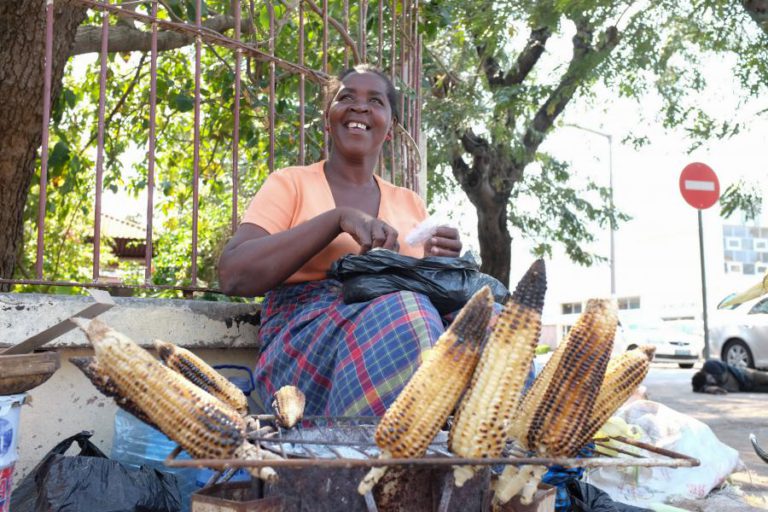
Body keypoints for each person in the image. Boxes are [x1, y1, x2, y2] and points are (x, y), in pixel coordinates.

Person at [217, 64, 464, 417]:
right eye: (346, 97)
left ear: (390, 128)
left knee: (491, 320)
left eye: (375, 101)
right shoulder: (290, 184)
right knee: (404, 310)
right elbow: (233, 274)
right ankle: (377, 450)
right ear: (328, 120)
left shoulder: (410, 203)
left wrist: (441, 265)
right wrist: (337, 219)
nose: (359, 106)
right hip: (302, 354)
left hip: (405, 343)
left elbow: (430, 304)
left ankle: (490, 451)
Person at [691, 359, 768, 394]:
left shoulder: (710, 365)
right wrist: (707, 388)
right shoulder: (713, 386)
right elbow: (696, 389)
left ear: (704, 373)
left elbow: (722, 366)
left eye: (710, 378)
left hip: (747, 375)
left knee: (764, 377)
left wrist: (712, 384)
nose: (712, 380)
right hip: (746, 387)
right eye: (709, 382)